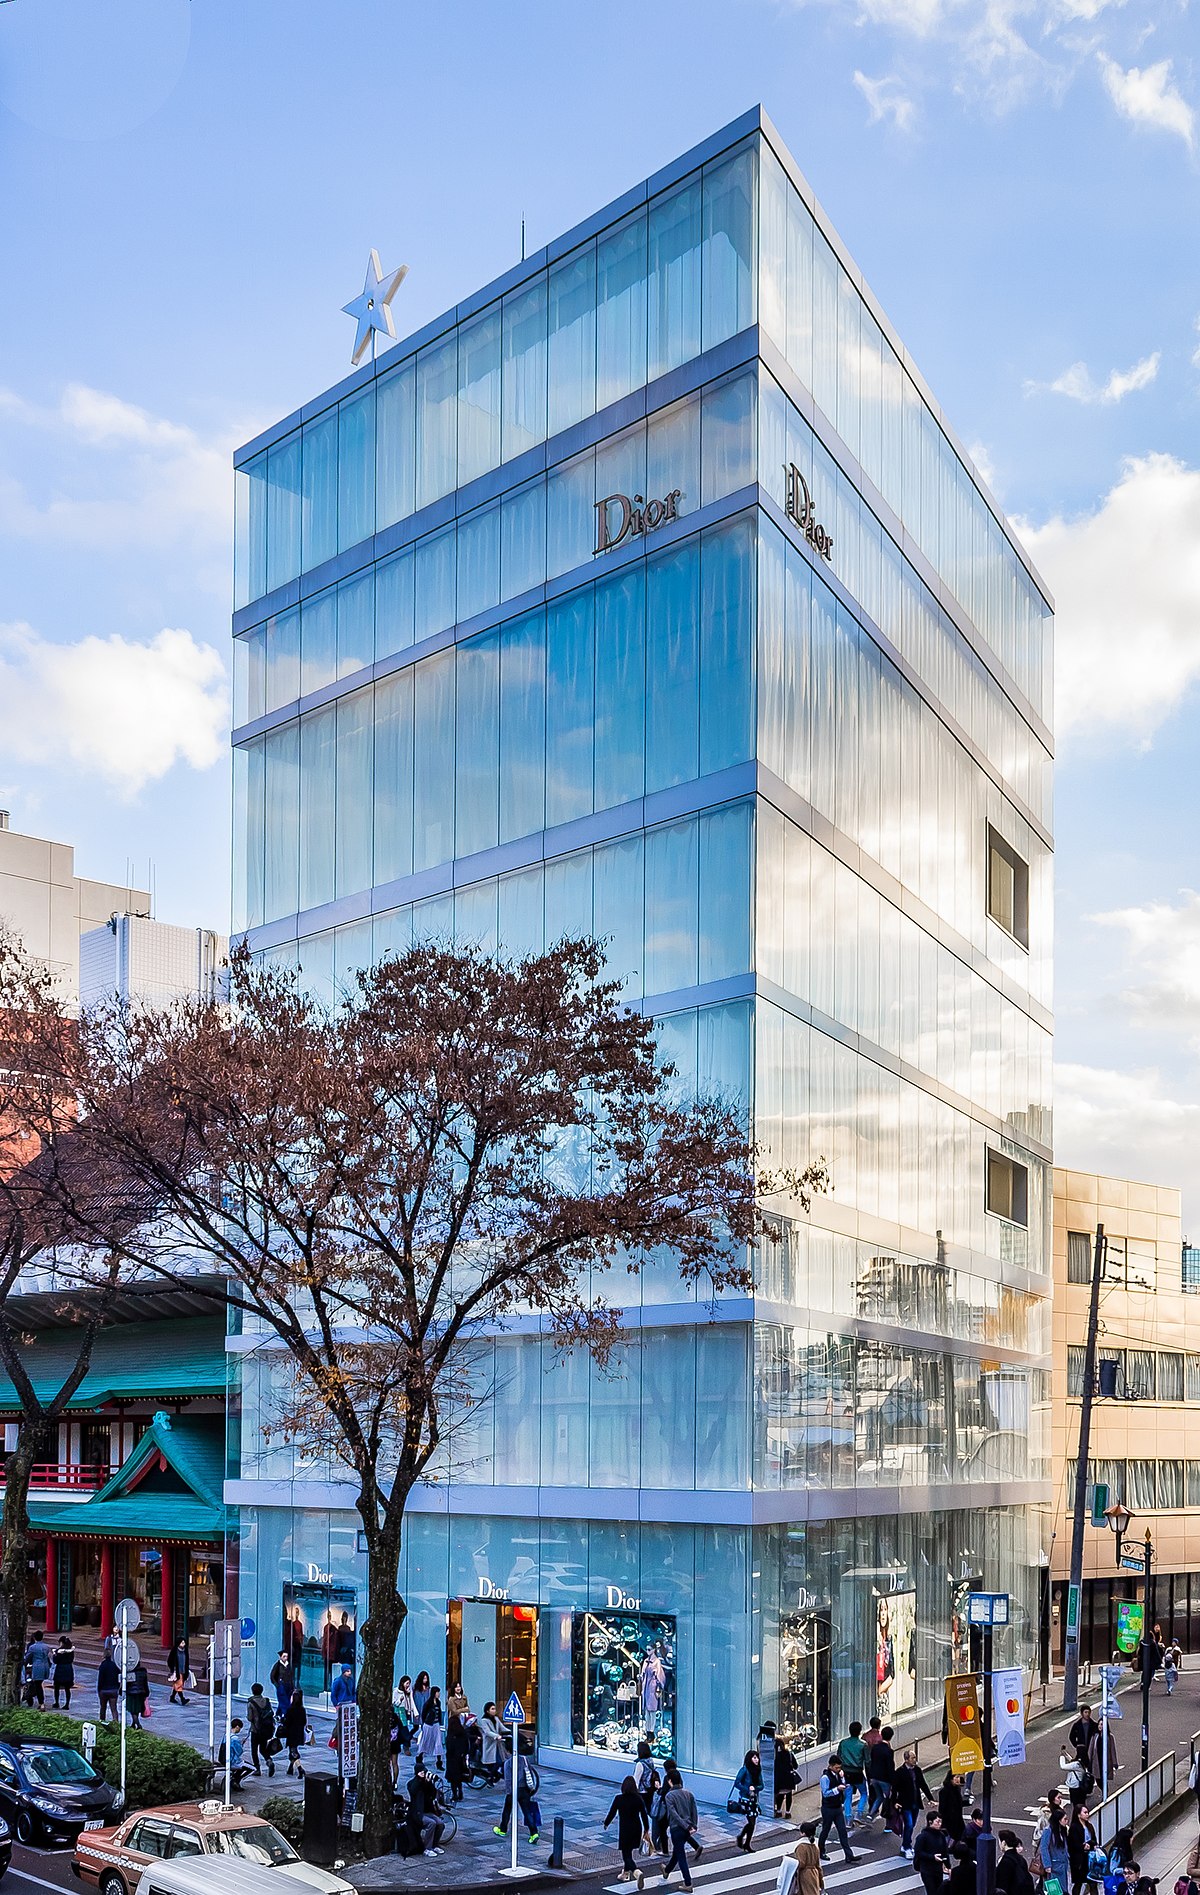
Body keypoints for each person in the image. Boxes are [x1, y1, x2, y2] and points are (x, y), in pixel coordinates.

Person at [604, 1774, 650, 1887]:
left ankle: (636, 1872)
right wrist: (646, 1828)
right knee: (629, 1852)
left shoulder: (619, 1799)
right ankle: (625, 1873)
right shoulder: (638, 1798)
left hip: (625, 1829)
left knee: (626, 1855)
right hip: (636, 1828)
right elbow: (644, 1814)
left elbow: (612, 1812)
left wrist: (606, 1823)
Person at [660, 1770, 701, 1888]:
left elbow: (674, 1814)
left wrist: (684, 1825)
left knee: (681, 1855)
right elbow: (694, 1811)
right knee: (677, 1852)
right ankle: (667, 1870)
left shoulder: (669, 1796)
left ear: (670, 1781)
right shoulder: (688, 1794)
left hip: (677, 1828)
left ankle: (688, 1883)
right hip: (687, 1829)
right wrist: (693, 1825)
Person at [494, 1745, 540, 1845]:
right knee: (527, 1811)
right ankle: (534, 1833)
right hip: (524, 1790)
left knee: (507, 1810)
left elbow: (508, 1780)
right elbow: (530, 1774)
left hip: (514, 1790)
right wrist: (531, 1788)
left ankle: (503, 1829)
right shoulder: (524, 1759)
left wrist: (509, 1792)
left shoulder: (508, 1763)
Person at [893, 1748, 934, 1858]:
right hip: (904, 1803)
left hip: (915, 1802)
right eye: (913, 1758)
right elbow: (894, 1789)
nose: (915, 1760)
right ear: (906, 1760)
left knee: (912, 1824)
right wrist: (895, 1802)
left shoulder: (917, 1770)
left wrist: (931, 1798)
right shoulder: (899, 1772)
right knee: (909, 1824)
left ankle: (905, 1844)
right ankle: (907, 1846)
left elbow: (923, 1784)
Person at [817, 1757, 856, 1864]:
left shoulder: (839, 1775)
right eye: (836, 1767)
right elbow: (825, 1793)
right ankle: (821, 1851)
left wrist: (843, 1781)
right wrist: (836, 1789)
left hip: (837, 1807)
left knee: (842, 1831)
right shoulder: (825, 1778)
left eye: (839, 1767)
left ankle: (849, 1855)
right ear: (830, 1766)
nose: (838, 1769)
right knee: (825, 1830)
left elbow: (842, 1784)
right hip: (828, 1808)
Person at [406, 1759, 446, 1857]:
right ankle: (427, 1848)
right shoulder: (412, 1783)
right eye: (420, 1772)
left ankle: (434, 1844)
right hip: (417, 1812)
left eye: (423, 1771)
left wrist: (429, 1783)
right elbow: (413, 1791)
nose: (423, 1773)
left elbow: (432, 1794)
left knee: (440, 1823)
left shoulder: (426, 1783)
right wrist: (421, 1781)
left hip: (428, 1811)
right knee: (431, 1823)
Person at [836, 1721, 871, 1827]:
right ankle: (859, 1813)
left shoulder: (843, 1743)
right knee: (864, 1793)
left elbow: (838, 1756)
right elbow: (867, 1761)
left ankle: (848, 1818)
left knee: (848, 1796)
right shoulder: (863, 1745)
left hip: (846, 1773)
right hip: (858, 1773)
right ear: (860, 1731)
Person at [913, 1811, 951, 1895]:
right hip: (927, 1870)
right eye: (937, 1822)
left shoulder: (941, 1835)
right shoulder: (923, 1837)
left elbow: (945, 1852)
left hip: (938, 1869)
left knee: (939, 1891)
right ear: (930, 1822)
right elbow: (918, 1852)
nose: (940, 1824)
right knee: (932, 1891)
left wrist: (948, 1867)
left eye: (940, 1821)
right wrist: (932, 1857)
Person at [732, 1750, 761, 1852]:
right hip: (745, 1799)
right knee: (752, 1822)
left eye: (757, 1757)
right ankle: (745, 1841)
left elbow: (761, 1785)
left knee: (752, 1822)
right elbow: (737, 1783)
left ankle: (745, 1840)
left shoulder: (758, 1770)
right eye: (754, 1758)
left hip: (754, 1799)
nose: (756, 1760)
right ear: (749, 1759)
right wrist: (747, 1789)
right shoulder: (744, 1770)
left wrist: (755, 1788)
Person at [867, 1724, 896, 1820]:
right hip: (884, 1779)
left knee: (879, 1797)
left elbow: (872, 1762)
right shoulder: (888, 1751)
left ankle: (870, 1815)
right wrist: (892, 1781)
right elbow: (890, 1767)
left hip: (874, 1777)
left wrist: (871, 1776)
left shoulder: (875, 1748)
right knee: (888, 1797)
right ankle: (888, 1818)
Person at [247, 1682, 276, 1777]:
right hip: (266, 1729)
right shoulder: (266, 1701)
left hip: (255, 1730)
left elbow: (250, 1717)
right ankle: (269, 1760)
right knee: (263, 1749)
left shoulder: (251, 1703)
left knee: (254, 1750)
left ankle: (257, 1769)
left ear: (252, 1691)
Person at [1038, 1805, 1071, 1892]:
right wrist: (1047, 1865)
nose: (1066, 1822)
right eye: (1065, 1819)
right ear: (1058, 1820)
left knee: (1063, 1889)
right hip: (1054, 1866)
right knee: (1054, 1891)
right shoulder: (1048, 1831)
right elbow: (1044, 1847)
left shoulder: (1062, 1831)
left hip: (1062, 1865)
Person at [218, 1717, 252, 1790]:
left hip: (223, 1759)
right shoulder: (235, 1738)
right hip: (232, 1761)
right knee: (252, 1769)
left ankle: (235, 1779)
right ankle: (236, 1780)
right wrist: (241, 1744)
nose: (240, 1730)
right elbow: (239, 1751)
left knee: (242, 1768)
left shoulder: (226, 1735)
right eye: (240, 1728)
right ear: (237, 1727)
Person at [791, 1822, 824, 1895]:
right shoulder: (815, 1846)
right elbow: (818, 1865)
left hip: (805, 1876)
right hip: (815, 1874)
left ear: (803, 1833)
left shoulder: (801, 1846)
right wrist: (821, 1881)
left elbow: (801, 1864)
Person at [282, 1686, 308, 1776]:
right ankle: (290, 1767)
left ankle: (300, 1768)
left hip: (291, 1733)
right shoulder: (302, 1709)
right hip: (299, 1732)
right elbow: (304, 1721)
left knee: (293, 1751)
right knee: (293, 1749)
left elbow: (287, 1722)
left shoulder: (290, 1709)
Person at [418, 1684, 444, 1769]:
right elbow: (424, 1713)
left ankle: (439, 1761)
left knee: (438, 1742)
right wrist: (424, 1722)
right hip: (429, 1724)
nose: (438, 1694)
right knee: (425, 1741)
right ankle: (420, 1757)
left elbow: (439, 1713)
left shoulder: (438, 1703)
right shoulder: (428, 1703)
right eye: (437, 1692)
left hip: (436, 1724)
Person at [446, 1712, 469, 1803]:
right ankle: (460, 1792)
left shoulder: (451, 1735)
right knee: (459, 1778)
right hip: (460, 1758)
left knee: (453, 1779)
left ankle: (455, 1794)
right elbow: (466, 1745)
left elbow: (449, 1748)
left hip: (452, 1760)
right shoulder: (462, 1733)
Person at [480, 1700, 504, 1785]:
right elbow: (487, 1732)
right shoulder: (484, 1721)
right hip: (490, 1745)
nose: (494, 1710)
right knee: (498, 1762)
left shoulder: (496, 1719)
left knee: (503, 1760)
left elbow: (502, 1728)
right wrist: (496, 1736)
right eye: (492, 1709)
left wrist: (511, 1732)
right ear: (487, 1711)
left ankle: (497, 1775)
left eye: (495, 1709)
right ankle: (490, 1777)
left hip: (498, 1744)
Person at [939, 1772, 967, 1843]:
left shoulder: (957, 1789)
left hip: (958, 1820)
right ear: (951, 1779)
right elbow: (942, 1809)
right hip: (949, 1822)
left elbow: (958, 1803)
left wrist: (967, 1802)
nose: (958, 1779)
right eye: (956, 1777)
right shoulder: (944, 1791)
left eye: (959, 1777)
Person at [23, 1634, 50, 1708]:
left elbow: (28, 1657)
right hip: (45, 1666)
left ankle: (41, 1703)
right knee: (39, 1684)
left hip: (37, 1666)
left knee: (38, 1685)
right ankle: (40, 1702)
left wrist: (24, 1663)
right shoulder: (46, 1647)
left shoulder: (32, 1647)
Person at [774, 1736, 798, 1818]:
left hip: (779, 1779)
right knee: (788, 1795)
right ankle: (788, 1812)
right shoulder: (789, 1754)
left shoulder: (774, 1757)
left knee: (780, 1795)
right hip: (788, 1778)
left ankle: (779, 1810)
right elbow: (795, 1766)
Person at [51, 1633, 75, 1710]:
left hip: (60, 1668)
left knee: (57, 1686)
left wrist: (54, 1654)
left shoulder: (59, 1651)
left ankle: (57, 1702)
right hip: (68, 1668)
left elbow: (55, 1661)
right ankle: (67, 1703)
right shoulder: (71, 1651)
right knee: (67, 1688)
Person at [97, 1649, 120, 1723]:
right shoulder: (114, 1665)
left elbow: (100, 1679)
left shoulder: (103, 1666)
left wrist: (99, 1690)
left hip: (104, 1690)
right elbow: (118, 1677)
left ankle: (102, 1722)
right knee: (114, 1708)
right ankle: (116, 1723)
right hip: (113, 1690)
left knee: (103, 1708)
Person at [126, 1658, 149, 1729]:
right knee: (137, 1709)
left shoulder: (130, 1672)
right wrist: (147, 1692)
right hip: (141, 1693)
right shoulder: (143, 1672)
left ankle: (138, 1725)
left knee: (133, 1710)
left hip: (131, 1693)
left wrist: (121, 1691)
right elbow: (145, 1684)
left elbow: (127, 1684)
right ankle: (133, 1724)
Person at [270, 1649, 294, 1717]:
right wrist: (276, 1685)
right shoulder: (277, 1665)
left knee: (285, 1700)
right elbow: (272, 1676)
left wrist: (292, 1686)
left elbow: (291, 1676)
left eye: (286, 1656)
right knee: (284, 1701)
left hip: (288, 1685)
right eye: (284, 1656)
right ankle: (286, 1714)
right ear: (280, 1657)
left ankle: (278, 1714)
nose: (285, 1658)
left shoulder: (288, 1665)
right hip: (281, 1685)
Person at [168, 1635, 190, 1706]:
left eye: (184, 1642)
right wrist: (172, 1669)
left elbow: (187, 1661)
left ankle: (172, 1697)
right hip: (177, 1670)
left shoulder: (185, 1650)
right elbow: (170, 1660)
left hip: (183, 1669)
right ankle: (182, 1699)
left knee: (178, 1684)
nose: (183, 1644)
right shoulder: (174, 1651)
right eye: (182, 1643)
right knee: (179, 1684)